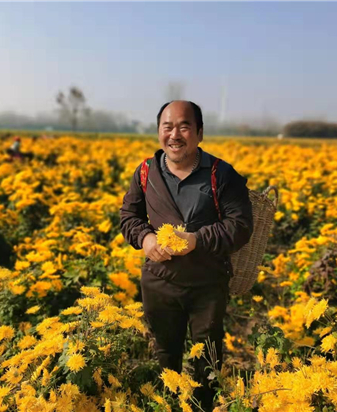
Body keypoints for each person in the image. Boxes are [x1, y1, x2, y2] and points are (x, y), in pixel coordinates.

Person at [120, 101, 253, 411]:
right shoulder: (146, 172)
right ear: (159, 132)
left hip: (207, 284)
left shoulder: (222, 174)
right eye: (167, 127)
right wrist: (145, 238)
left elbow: (240, 226)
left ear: (200, 133)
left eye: (184, 127)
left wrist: (197, 240)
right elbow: (129, 216)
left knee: (207, 360)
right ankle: (168, 404)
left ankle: (203, 406)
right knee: (165, 356)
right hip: (159, 282)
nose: (174, 135)